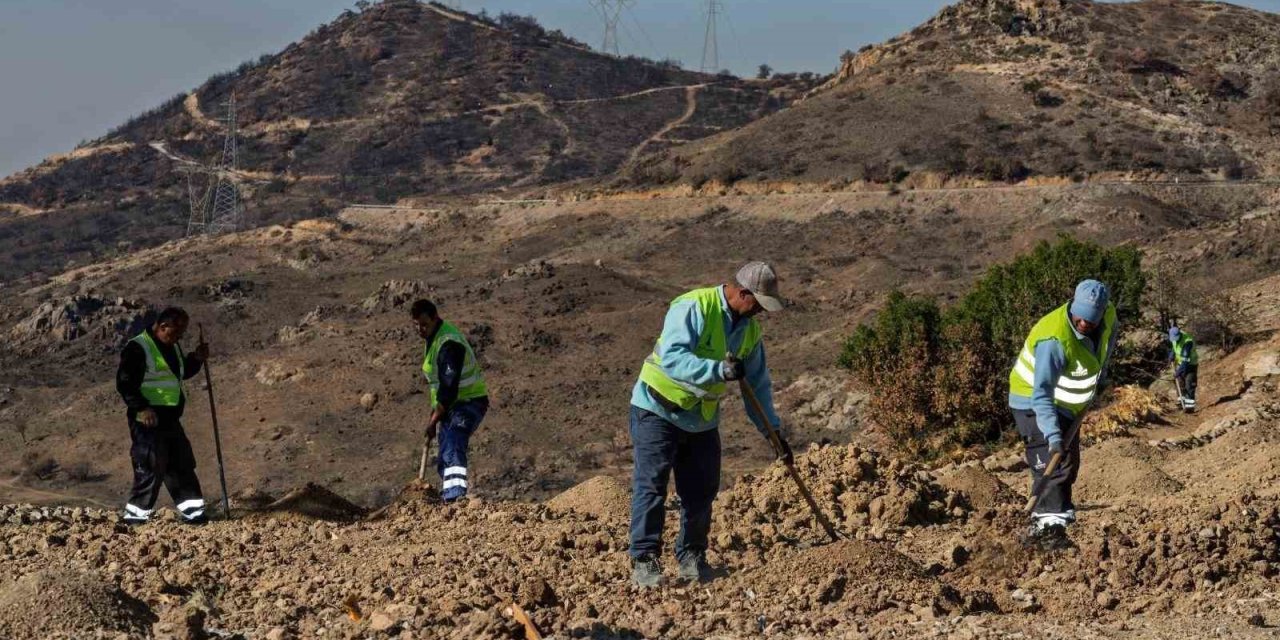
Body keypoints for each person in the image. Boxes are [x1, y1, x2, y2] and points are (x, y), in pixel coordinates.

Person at [629, 261, 791, 587]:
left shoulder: (750, 332)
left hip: (700, 419)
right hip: (658, 408)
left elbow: (757, 386)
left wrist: (772, 432)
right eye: (758, 304)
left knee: (701, 491)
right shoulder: (694, 306)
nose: (760, 312)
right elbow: (672, 357)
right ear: (743, 293)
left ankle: (692, 556)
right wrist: (718, 370)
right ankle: (645, 561)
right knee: (652, 486)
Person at [1008, 279, 1118, 546]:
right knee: (1051, 464)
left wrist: (1102, 373)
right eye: (1080, 316)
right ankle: (1049, 533)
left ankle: (1053, 524)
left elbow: (1110, 335)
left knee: (1068, 464)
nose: (1084, 323)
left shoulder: (1109, 315)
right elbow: (1041, 394)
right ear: (1073, 305)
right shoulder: (1054, 340)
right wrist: (1053, 435)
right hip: (1032, 402)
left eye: (1091, 319)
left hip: (1067, 404)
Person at [116, 307, 210, 525]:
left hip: (170, 418)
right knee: (151, 465)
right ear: (162, 326)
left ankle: (194, 515)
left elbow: (180, 373)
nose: (178, 338)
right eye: (176, 332)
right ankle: (135, 519)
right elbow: (125, 383)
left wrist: (196, 358)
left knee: (181, 463)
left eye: (181, 333)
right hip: (148, 419)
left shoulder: (171, 345)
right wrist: (141, 408)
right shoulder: (138, 347)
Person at [411, 300, 489, 502]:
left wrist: (433, 421)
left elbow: (449, 388)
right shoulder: (433, 339)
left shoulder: (448, 343)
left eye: (424, 324)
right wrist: (434, 414)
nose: (420, 329)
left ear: (435, 318)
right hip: (449, 406)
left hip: (469, 401)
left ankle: (455, 498)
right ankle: (448, 497)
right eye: (416, 325)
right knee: (444, 452)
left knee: (453, 441)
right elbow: (439, 387)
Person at [1169, 326, 1199, 412]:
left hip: (1191, 365)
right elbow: (1175, 346)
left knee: (1189, 384)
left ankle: (1189, 408)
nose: (1174, 339)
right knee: (1180, 383)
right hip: (1180, 363)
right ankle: (1181, 403)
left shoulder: (1187, 342)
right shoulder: (1174, 337)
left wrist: (1178, 372)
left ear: (1179, 335)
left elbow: (1185, 361)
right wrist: (1172, 354)